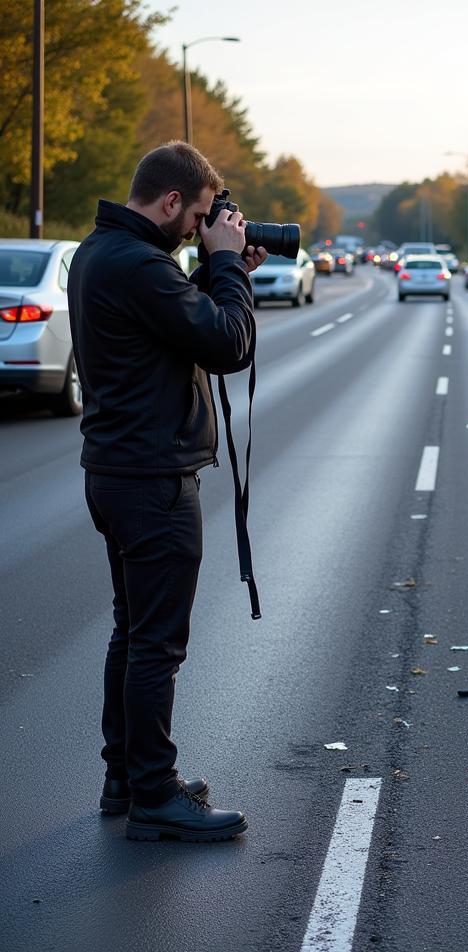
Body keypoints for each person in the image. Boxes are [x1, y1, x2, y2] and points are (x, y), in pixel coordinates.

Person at [68, 141, 266, 842]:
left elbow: (181, 320)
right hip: (151, 481)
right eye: (202, 216)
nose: (201, 228)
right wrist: (225, 272)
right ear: (174, 201)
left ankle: (124, 776)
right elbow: (226, 343)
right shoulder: (139, 267)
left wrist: (222, 268)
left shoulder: (103, 253)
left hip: (116, 472)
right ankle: (154, 796)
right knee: (157, 644)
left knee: (133, 632)